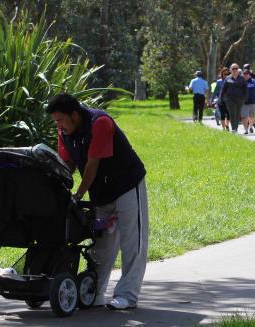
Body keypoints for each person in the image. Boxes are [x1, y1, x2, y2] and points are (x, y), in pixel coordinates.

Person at [47, 93, 148, 310]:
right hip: (100, 192)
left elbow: (92, 165)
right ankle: (94, 293)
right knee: (101, 245)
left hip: (126, 185)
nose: (59, 125)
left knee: (132, 242)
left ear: (75, 115)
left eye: (61, 120)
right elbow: (66, 166)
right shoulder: (64, 132)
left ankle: (127, 296)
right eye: (55, 121)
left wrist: (77, 195)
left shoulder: (100, 123)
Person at [219, 63, 248, 133]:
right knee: (232, 113)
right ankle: (234, 129)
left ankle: (236, 127)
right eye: (233, 69)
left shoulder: (242, 79)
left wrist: (245, 98)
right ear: (230, 70)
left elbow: (246, 89)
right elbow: (223, 89)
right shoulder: (227, 78)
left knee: (237, 113)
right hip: (230, 99)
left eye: (236, 69)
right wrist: (220, 98)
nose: (235, 70)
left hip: (240, 99)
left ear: (238, 70)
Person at [241, 69, 255, 134]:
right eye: (244, 74)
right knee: (244, 116)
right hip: (243, 102)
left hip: (252, 101)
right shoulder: (240, 81)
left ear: (249, 74)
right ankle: (246, 129)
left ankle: (250, 127)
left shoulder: (253, 81)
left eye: (247, 74)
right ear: (242, 74)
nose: (246, 75)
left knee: (252, 115)